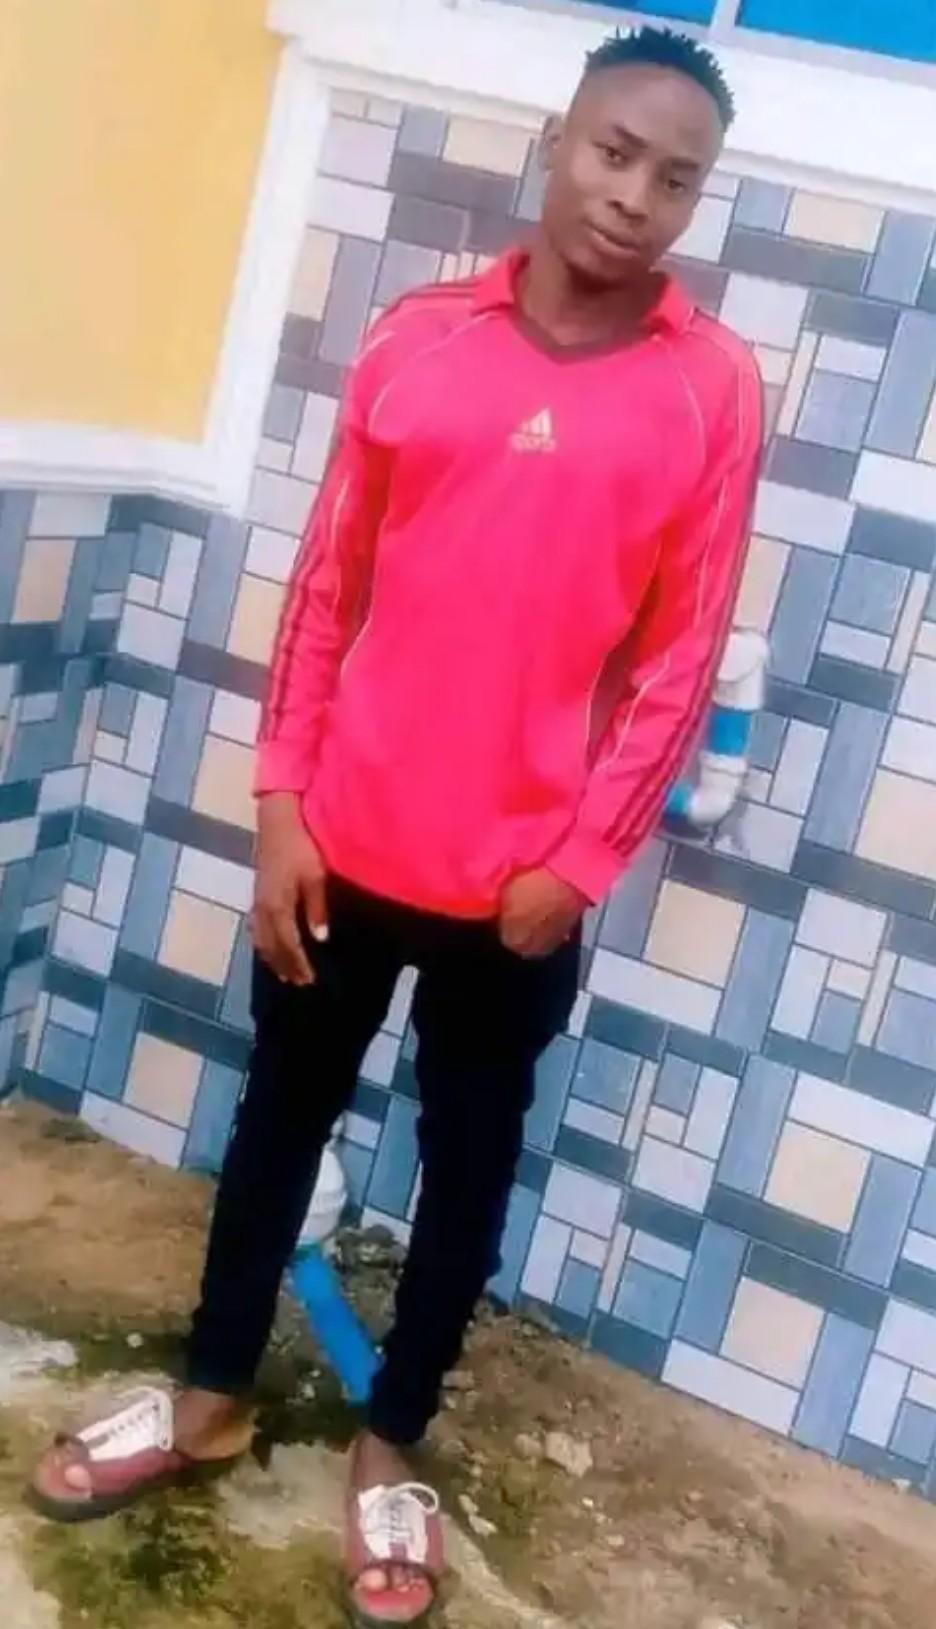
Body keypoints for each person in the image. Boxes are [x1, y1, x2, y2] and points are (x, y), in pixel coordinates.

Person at [31, 26, 762, 1627]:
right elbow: (326, 587)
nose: (633, 195)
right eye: (612, 150)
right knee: (277, 1121)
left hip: (519, 891)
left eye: (676, 177)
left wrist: (580, 862)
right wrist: (280, 804)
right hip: (342, 848)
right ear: (557, 143)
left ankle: (391, 1441)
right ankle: (210, 1395)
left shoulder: (708, 387)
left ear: (696, 201)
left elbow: (683, 653)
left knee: (466, 1163)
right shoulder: (420, 338)